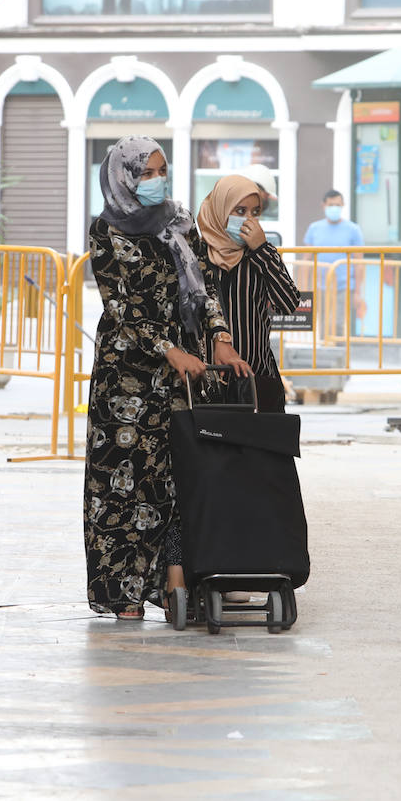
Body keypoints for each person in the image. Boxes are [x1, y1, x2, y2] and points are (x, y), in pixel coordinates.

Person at [84, 136, 248, 620]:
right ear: (125, 176)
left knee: (181, 477)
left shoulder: (179, 223)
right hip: (126, 378)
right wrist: (167, 349)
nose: (158, 180)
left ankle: (180, 582)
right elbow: (119, 306)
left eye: (162, 170)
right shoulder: (105, 230)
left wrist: (219, 337)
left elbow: (205, 288)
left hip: (187, 373)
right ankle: (124, 594)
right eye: (148, 173)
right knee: (123, 483)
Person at [196, 174, 300, 413]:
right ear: (220, 210)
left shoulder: (262, 254)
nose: (248, 220)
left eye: (255, 212)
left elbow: (289, 302)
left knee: (260, 448)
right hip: (207, 380)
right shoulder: (196, 255)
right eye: (240, 211)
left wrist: (262, 250)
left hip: (257, 377)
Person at [302, 190, 365, 337]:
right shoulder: (314, 228)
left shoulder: (353, 229)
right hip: (321, 286)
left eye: (337, 205)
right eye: (331, 205)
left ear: (343, 205)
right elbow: (306, 260)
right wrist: (303, 289)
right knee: (324, 323)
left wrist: (357, 292)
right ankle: (324, 356)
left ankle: (339, 356)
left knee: (337, 324)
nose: (334, 208)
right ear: (323, 206)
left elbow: (359, 263)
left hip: (344, 286)